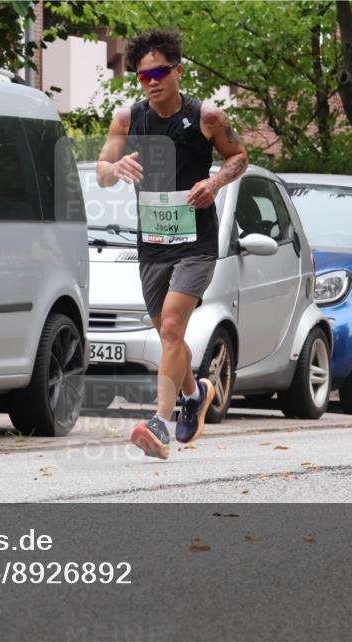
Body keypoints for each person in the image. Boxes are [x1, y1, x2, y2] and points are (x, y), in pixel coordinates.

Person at [96, 28, 248, 460]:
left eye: (161, 71)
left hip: (196, 240)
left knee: (170, 327)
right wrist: (116, 165)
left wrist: (215, 182)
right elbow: (103, 170)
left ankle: (160, 422)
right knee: (170, 337)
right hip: (153, 242)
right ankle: (196, 391)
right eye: (144, 76)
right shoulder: (128, 120)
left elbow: (239, 157)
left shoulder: (208, 117)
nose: (153, 81)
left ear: (178, 70)